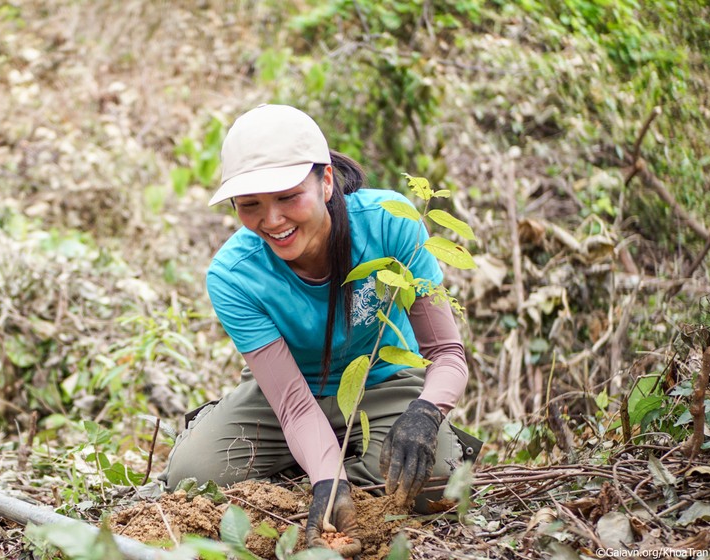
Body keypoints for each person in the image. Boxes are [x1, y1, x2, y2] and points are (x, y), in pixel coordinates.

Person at [161, 104, 476, 556]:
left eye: (288, 197)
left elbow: (447, 353)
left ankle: (323, 462)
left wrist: (425, 413)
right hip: (287, 396)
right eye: (250, 206)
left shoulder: (391, 222)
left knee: (438, 484)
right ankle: (321, 464)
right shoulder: (234, 275)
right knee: (193, 476)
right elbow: (291, 403)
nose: (272, 221)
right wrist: (329, 483)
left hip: (382, 382)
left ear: (326, 181)